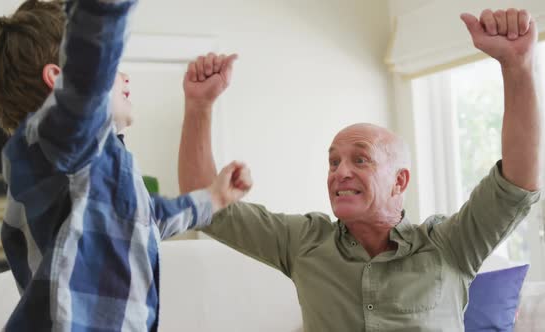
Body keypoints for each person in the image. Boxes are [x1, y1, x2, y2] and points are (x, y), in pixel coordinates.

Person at [178, 8, 541, 331]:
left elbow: (516, 184)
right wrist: (199, 106)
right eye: (333, 161)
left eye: (360, 159)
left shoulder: (450, 245)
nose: (340, 172)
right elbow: (207, 207)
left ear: (399, 180)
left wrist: (517, 66)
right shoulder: (304, 242)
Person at [0, 0, 252, 330]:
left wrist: (214, 198)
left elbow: (145, 219)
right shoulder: (58, 143)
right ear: (60, 85)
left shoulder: (90, 170)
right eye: (112, 71)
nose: (124, 76)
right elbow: (89, 63)